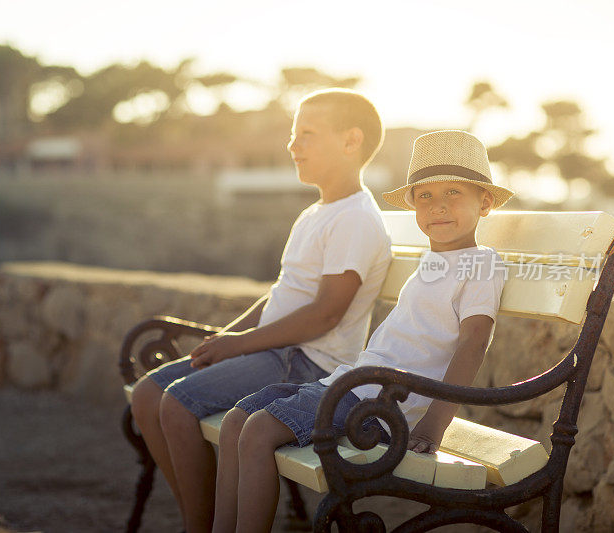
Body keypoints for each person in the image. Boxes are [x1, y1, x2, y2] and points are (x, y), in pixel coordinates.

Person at [215, 129, 515, 533]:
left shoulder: (480, 263)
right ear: (413, 206)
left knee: (256, 432)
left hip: (382, 404)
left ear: (485, 203)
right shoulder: (433, 262)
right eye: (425, 195)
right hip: (351, 385)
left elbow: (474, 341)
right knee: (236, 421)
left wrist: (434, 423)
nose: (438, 206)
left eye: (453, 193)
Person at [129, 88, 392, 533]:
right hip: (276, 351)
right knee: (147, 395)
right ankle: (203, 518)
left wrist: (242, 345)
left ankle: (200, 526)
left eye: (307, 134)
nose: (293, 145)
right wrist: (227, 338)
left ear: (351, 142)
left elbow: (326, 315)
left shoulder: (355, 219)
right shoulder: (316, 213)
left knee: (176, 405)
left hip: (307, 362)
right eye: (293, 133)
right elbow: (281, 293)